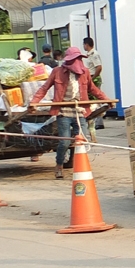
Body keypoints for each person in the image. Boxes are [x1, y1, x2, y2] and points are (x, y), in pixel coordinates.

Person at [28, 47, 104, 179]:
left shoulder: (84, 72)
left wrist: (107, 100)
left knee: (81, 139)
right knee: (64, 142)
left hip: (80, 111)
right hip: (63, 111)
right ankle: (59, 165)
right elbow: (44, 88)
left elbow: (93, 89)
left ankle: (76, 163)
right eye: (75, 59)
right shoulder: (57, 72)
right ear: (68, 61)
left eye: (79, 59)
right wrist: (34, 102)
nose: (78, 62)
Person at [82, 37, 105, 130]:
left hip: (93, 78)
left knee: (96, 99)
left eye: (84, 44)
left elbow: (99, 67)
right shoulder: (88, 54)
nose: (83, 46)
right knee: (92, 99)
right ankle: (94, 120)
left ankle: (99, 122)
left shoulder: (94, 54)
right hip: (90, 77)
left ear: (86, 44)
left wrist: (93, 78)